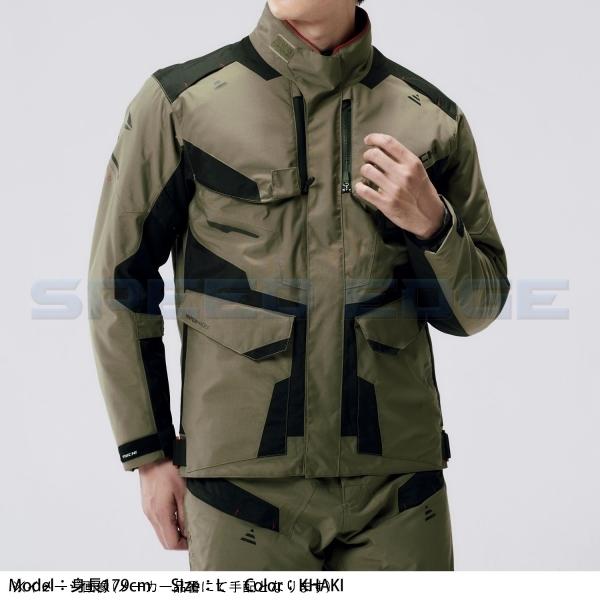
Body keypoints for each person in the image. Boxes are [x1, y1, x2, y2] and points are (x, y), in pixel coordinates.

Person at [88, 0, 510, 570]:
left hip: (399, 490)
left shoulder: (432, 120)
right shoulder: (182, 104)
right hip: (242, 491)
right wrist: (149, 454)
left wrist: (433, 225)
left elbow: (476, 308)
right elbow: (119, 281)